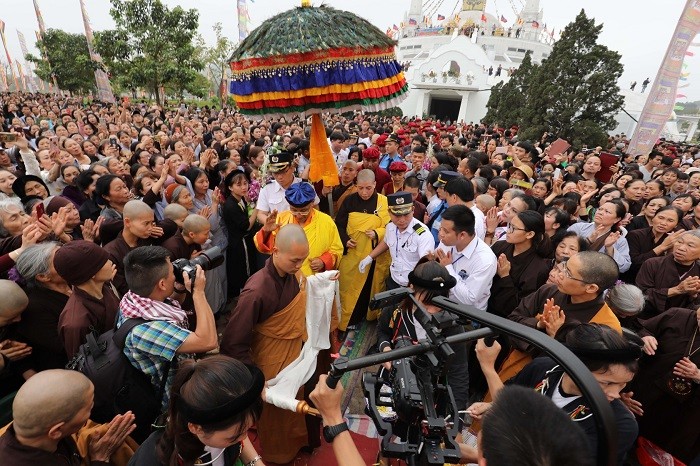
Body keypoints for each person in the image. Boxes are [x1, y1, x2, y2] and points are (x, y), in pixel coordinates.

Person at [470, 323, 640, 466]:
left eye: (623, 385)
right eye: (607, 383)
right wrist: (492, 407)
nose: (616, 394)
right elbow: (511, 397)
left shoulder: (619, 424)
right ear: (573, 367)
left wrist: (488, 368)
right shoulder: (542, 368)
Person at [220, 224, 316, 463]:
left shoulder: (292, 274)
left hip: (294, 354)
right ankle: (277, 456)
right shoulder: (257, 289)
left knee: (296, 401)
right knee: (277, 413)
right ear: (275, 251)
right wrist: (254, 377)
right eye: (295, 260)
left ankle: (297, 444)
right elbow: (233, 341)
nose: (299, 266)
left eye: (303, 259)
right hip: (269, 362)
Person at [117, 246, 217, 425]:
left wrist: (178, 290)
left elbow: (168, 309)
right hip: (171, 406)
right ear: (162, 284)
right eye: (173, 271)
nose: (176, 272)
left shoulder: (134, 299)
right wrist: (199, 293)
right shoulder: (145, 331)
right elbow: (208, 341)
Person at [127, 356, 265, 466]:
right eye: (234, 437)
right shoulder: (154, 458)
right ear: (196, 428)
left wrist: (255, 462)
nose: (243, 438)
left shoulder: (223, 426)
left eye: (246, 429)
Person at [376, 260, 470, 415]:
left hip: (429, 386)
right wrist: (387, 350)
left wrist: (456, 418)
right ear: (411, 289)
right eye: (426, 304)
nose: (432, 311)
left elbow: (458, 373)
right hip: (394, 373)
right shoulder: (396, 309)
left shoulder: (452, 326)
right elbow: (383, 331)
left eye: (438, 304)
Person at [0, 369, 136, 465]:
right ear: (56, 431)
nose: (92, 408)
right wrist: (99, 459)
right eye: (88, 409)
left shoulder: (32, 429)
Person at [509, 251, 623, 354]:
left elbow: (588, 367)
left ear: (591, 288)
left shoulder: (607, 326)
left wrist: (555, 335)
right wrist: (538, 324)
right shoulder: (549, 291)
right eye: (564, 266)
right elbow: (511, 321)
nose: (560, 274)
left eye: (568, 273)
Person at [627, 306, 700, 462]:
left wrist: (698, 375)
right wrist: (645, 338)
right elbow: (641, 328)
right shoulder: (677, 315)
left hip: (681, 415)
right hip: (644, 394)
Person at [336, 169, 391, 331]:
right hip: (352, 254)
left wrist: (377, 233)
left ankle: (365, 316)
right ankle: (347, 320)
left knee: (367, 287)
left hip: (374, 254)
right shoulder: (349, 201)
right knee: (347, 287)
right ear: (356, 185)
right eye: (360, 188)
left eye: (368, 188)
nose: (364, 192)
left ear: (375, 185)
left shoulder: (383, 202)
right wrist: (345, 240)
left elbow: (390, 227)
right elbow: (338, 225)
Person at [255, 182, 343, 277]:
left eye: (304, 210)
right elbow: (264, 248)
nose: (299, 215)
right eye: (294, 210)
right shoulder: (280, 219)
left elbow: (337, 249)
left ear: (312, 203)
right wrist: (266, 231)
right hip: (286, 278)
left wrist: (323, 261)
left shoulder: (326, 221)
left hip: (314, 279)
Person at [54, 240, 120, 358]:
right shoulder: (76, 323)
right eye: (104, 261)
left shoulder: (103, 287)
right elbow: (85, 365)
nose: (110, 262)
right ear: (92, 273)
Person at [358, 192, 434, 291]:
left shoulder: (422, 234)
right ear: (389, 212)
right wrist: (369, 257)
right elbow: (386, 242)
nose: (402, 220)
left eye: (406, 214)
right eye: (397, 215)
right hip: (393, 280)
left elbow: (427, 264)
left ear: (413, 210)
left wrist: (416, 285)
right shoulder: (390, 227)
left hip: (412, 286)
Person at [488, 211, 551, 318]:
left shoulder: (539, 268)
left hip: (503, 319)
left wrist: (505, 276)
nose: (508, 231)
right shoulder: (500, 246)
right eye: (509, 226)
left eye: (514, 228)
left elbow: (519, 306)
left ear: (530, 234)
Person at [434, 204, 497, 310]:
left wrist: (448, 268)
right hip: (442, 304)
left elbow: (469, 298)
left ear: (462, 235)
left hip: (466, 316)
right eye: (441, 229)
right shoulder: (446, 243)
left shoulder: (485, 260)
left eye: (446, 231)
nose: (441, 234)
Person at [636, 229, 700, 316]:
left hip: (677, 324)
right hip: (644, 319)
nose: (681, 248)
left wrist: (693, 295)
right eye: (679, 242)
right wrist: (677, 290)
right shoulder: (653, 263)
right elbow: (640, 294)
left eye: (690, 246)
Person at [103, 200, 158, 296]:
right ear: (127, 222)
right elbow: (123, 288)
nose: (150, 228)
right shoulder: (112, 252)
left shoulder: (147, 239)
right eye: (146, 223)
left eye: (152, 223)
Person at [623, 206, 684, 284]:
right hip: (631, 280)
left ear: (676, 225)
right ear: (653, 218)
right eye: (661, 218)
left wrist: (671, 251)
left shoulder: (673, 240)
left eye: (670, 220)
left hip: (655, 282)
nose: (663, 223)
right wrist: (662, 247)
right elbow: (634, 264)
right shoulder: (636, 235)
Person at [567, 200, 631, 273]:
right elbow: (563, 248)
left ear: (617, 219)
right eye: (600, 209)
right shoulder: (579, 228)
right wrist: (588, 241)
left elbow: (624, 267)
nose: (600, 213)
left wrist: (610, 248)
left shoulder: (619, 240)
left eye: (607, 212)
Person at [221, 169, 257, 299]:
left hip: (244, 242)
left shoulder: (240, 199)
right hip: (239, 245)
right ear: (230, 187)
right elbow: (247, 226)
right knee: (243, 273)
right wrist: (257, 208)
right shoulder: (230, 206)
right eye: (239, 184)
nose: (243, 187)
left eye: (245, 183)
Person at [256, 151, 319, 224]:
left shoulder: (306, 186)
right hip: (279, 230)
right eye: (275, 173)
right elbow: (261, 214)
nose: (279, 177)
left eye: (283, 172)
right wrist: (275, 224)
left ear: (292, 168)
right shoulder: (267, 189)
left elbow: (315, 208)